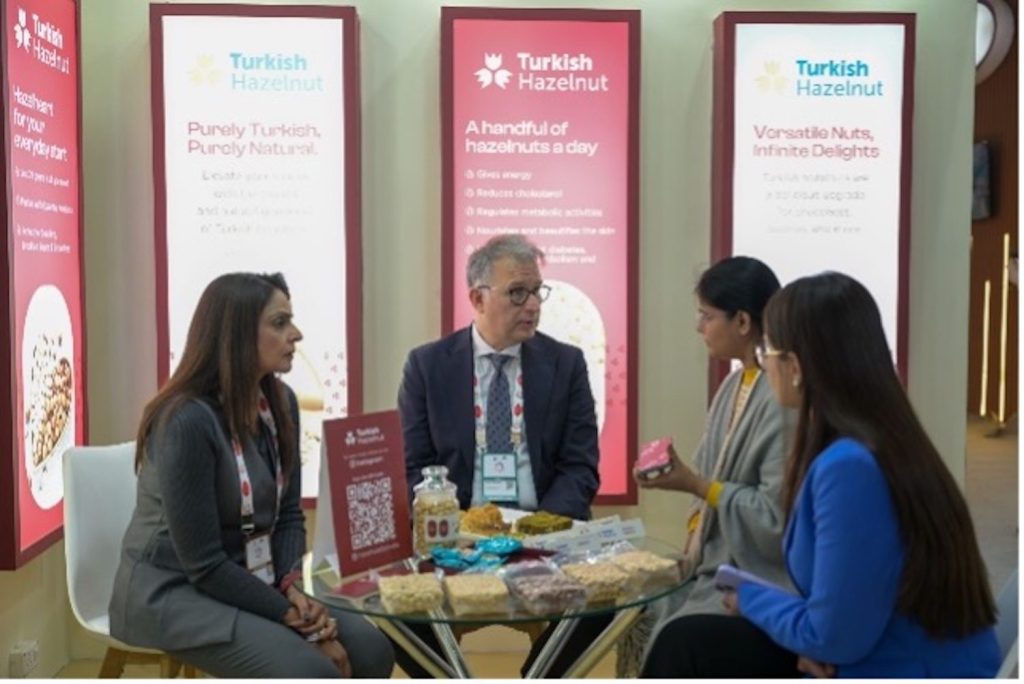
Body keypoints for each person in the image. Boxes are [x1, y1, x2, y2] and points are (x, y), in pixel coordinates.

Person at [643, 272, 1001, 678]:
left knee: (684, 643)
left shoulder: (848, 469)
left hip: (896, 666)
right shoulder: (884, 441)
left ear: (795, 366)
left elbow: (832, 636)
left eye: (768, 350)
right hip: (878, 650)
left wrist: (749, 599)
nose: (764, 363)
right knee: (687, 638)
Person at [108, 272, 395, 678]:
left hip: (255, 577)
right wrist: (292, 616)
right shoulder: (186, 422)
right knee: (312, 672)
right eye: (280, 323)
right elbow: (204, 564)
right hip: (174, 589)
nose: (296, 334)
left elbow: (289, 515)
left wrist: (293, 585)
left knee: (372, 650)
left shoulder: (281, 403)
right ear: (237, 335)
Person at [396, 234, 602, 676]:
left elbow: (580, 467)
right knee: (401, 618)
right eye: (517, 293)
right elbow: (413, 467)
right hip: (456, 540)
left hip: (542, 538)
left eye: (537, 292)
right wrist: (455, 530)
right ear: (477, 298)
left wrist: (537, 532)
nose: (533, 305)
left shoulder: (566, 364)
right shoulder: (427, 367)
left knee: (600, 608)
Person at [617, 256, 795, 677]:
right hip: (711, 564)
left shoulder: (782, 398)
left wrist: (696, 485)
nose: (699, 327)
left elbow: (774, 519)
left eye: (707, 316)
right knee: (635, 601)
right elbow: (706, 474)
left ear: (743, 322)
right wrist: (682, 485)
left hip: (756, 577)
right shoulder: (733, 384)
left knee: (674, 633)